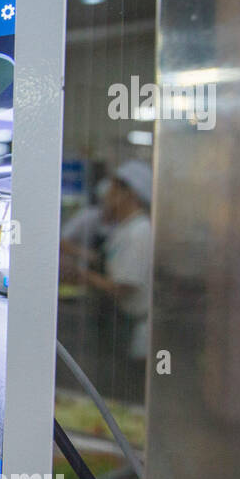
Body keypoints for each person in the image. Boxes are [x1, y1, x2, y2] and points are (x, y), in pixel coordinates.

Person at [71, 160, 153, 381]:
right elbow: (108, 260)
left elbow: (123, 288)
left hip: (128, 327)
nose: (107, 193)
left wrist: (81, 275)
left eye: (113, 187)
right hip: (115, 322)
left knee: (122, 383)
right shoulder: (124, 228)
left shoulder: (140, 232)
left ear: (129, 193)